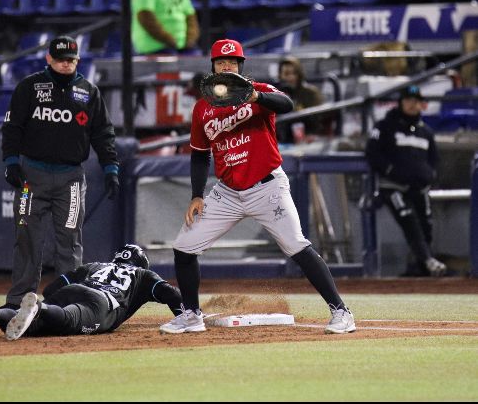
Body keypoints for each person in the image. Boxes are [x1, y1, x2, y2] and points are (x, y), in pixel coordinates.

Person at [159, 39, 356, 335]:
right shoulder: (202, 108)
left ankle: (341, 311)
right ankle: (191, 315)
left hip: (267, 187)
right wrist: (197, 194)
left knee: (296, 246)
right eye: (221, 62)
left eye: (232, 62)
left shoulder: (258, 91)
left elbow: (287, 104)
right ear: (213, 66)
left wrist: (255, 96)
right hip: (227, 193)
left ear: (241, 65)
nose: (227, 66)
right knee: (184, 247)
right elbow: (199, 155)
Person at [1, 36, 120, 309]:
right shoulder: (29, 87)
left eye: (70, 60)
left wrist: (111, 168)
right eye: (60, 59)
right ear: (49, 59)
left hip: (71, 179)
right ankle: (19, 301)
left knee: (70, 240)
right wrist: (11, 162)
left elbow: (103, 133)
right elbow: (13, 127)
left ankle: (69, 303)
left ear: (78, 60)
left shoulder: (89, 92)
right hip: (31, 176)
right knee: (27, 237)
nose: (66, 64)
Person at [0, 244, 183, 340]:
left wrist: (56, 299)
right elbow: (172, 294)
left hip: (72, 290)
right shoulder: (143, 274)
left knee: (30, 328)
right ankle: (40, 308)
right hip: (100, 302)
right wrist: (183, 315)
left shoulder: (95, 265)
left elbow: (50, 289)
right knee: (68, 319)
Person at [365, 85, 447, 277]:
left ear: (422, 105)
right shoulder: (384, 126)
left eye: (416, 101)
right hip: (393, 187)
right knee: (410, 221)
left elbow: (434, 159)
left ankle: (420, 270)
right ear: (400, 103)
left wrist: (430, 175)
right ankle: (428, 261)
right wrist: (391, 171)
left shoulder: (426, 131)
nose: (412, 105)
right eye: (408, 100)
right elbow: (372, 153)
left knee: (426, 226)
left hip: (419, 188)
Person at [274, 56, 328, 144]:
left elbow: (319, 121)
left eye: (294, 73)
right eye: (287, 74)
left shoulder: (311, 93)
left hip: (308, 138)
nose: (291, 77)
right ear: (280, 75)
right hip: (283, 140)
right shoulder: (276, 93)